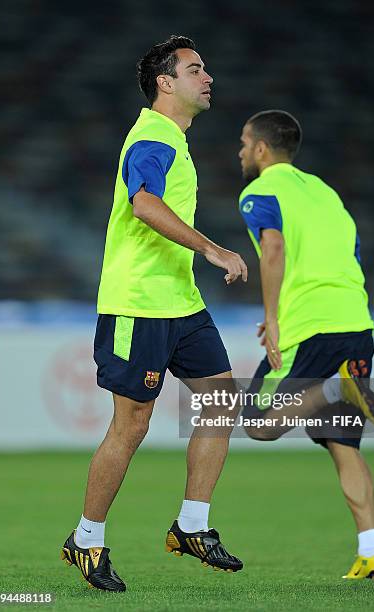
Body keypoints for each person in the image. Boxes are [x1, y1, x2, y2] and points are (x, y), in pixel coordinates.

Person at [60, 35, 246, 592]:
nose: (207, 77)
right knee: (133, 423)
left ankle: (192, 525)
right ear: (166, 83)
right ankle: (86, 539)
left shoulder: (173, 140)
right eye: (195, 69)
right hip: (137, 304)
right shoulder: (153, 136)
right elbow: (143, 203)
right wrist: (212, 249)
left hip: (180, 302)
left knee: (220, 399)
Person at [238, 109, 374, 579]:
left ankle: (333, 388)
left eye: (245, 142)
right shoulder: (326, 193)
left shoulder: (259, 190)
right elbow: (354, 253)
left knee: (258, 424)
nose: (241, 151)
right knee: (342, 442)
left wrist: (272, 316)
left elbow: (274, 248)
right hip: (355, 323)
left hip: (310, 328)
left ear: (262, 149)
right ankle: (372, 551)